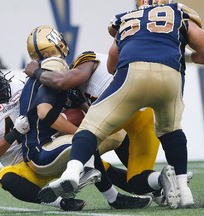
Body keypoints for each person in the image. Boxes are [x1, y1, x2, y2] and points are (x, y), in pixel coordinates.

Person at [37, 0, 204, 209]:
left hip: (132, 81)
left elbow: (111, 66)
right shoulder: (177, 14)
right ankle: (182, 187)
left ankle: (73, 172)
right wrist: (184, 55)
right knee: (171, 132)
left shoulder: (124, 20)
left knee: (90, 127)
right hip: (167, 81)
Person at [21, 25, 152, 209]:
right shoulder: (53, 66)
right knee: (87, 136)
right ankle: (86, 173)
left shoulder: (44, 72)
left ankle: (141, 182)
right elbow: (43, 112)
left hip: (43, 148)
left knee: (111, 135)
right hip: (43, 151)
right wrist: (80, 132)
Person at [0, 61, 88, 211]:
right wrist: (15, 133)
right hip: (23, 163)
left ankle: (112, 194)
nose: (3, 87)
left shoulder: (18, 84)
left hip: (48, 143)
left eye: (1, 82)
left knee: (82, 141)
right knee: (6, 177)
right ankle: (60, 202)